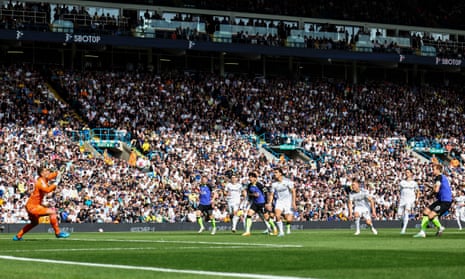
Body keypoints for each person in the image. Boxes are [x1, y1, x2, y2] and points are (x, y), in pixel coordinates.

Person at [13, 165, 70, 240]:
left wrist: (58, 172)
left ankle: (18, 236)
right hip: (33, 207)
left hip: (31, 206)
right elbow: (47, 190)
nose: (48, 171)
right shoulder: (40, 182)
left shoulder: (44, 179)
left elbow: (51, 176)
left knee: (34, 223)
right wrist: (56, 183)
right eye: (46, 171)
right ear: (42, 173)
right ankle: (58, 233)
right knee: (52, 212)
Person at [414, 164, 453, 238]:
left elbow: (436, 190)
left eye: (434, 169)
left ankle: (439, 227)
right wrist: (429, 186)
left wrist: (430, 194)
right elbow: (437, 187)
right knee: (426, 211)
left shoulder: (439, 177)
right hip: (442, 200)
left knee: (430, 215)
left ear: (438, 170)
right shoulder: (442, 177)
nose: (433, 170)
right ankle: (423, 232)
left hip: (445, 201)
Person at [242, 171, 273, 236]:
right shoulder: (249, 185)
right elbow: (249, 194)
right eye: (249, 177)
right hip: (255, 203)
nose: (250, 179)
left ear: (255, 178)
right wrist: (251, 196)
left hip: (261, 203)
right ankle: (247, 231)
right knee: (249, 214)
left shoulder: (259, 185)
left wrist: (267, 203)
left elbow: (266, 192)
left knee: (265, 217)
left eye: (251, 177)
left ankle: (271, 229)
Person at [268, 168, 296, 237]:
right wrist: (269, 203)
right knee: (277, 215)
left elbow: (293, 191)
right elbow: (271, 194)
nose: (275, 174)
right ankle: (281, 232)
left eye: (276, 172)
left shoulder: (287, 181)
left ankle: (288, 227)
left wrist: (293, 202)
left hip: (288, 201)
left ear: (280, 173)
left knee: (288, 219)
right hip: (279, 201)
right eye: (274, 173)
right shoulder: (274, 184)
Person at [398, 168, 420, 234]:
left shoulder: (414, 183)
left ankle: (403, 229)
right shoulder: (402, 182)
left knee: (406, 213)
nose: (406, 173)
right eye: (406, 172)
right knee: (399, 215)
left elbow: (418, 191)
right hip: (402, 199)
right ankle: (404, 222)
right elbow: (400, 191)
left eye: (408, 172)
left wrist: (417, 199)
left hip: (410, 200)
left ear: (411, 173)